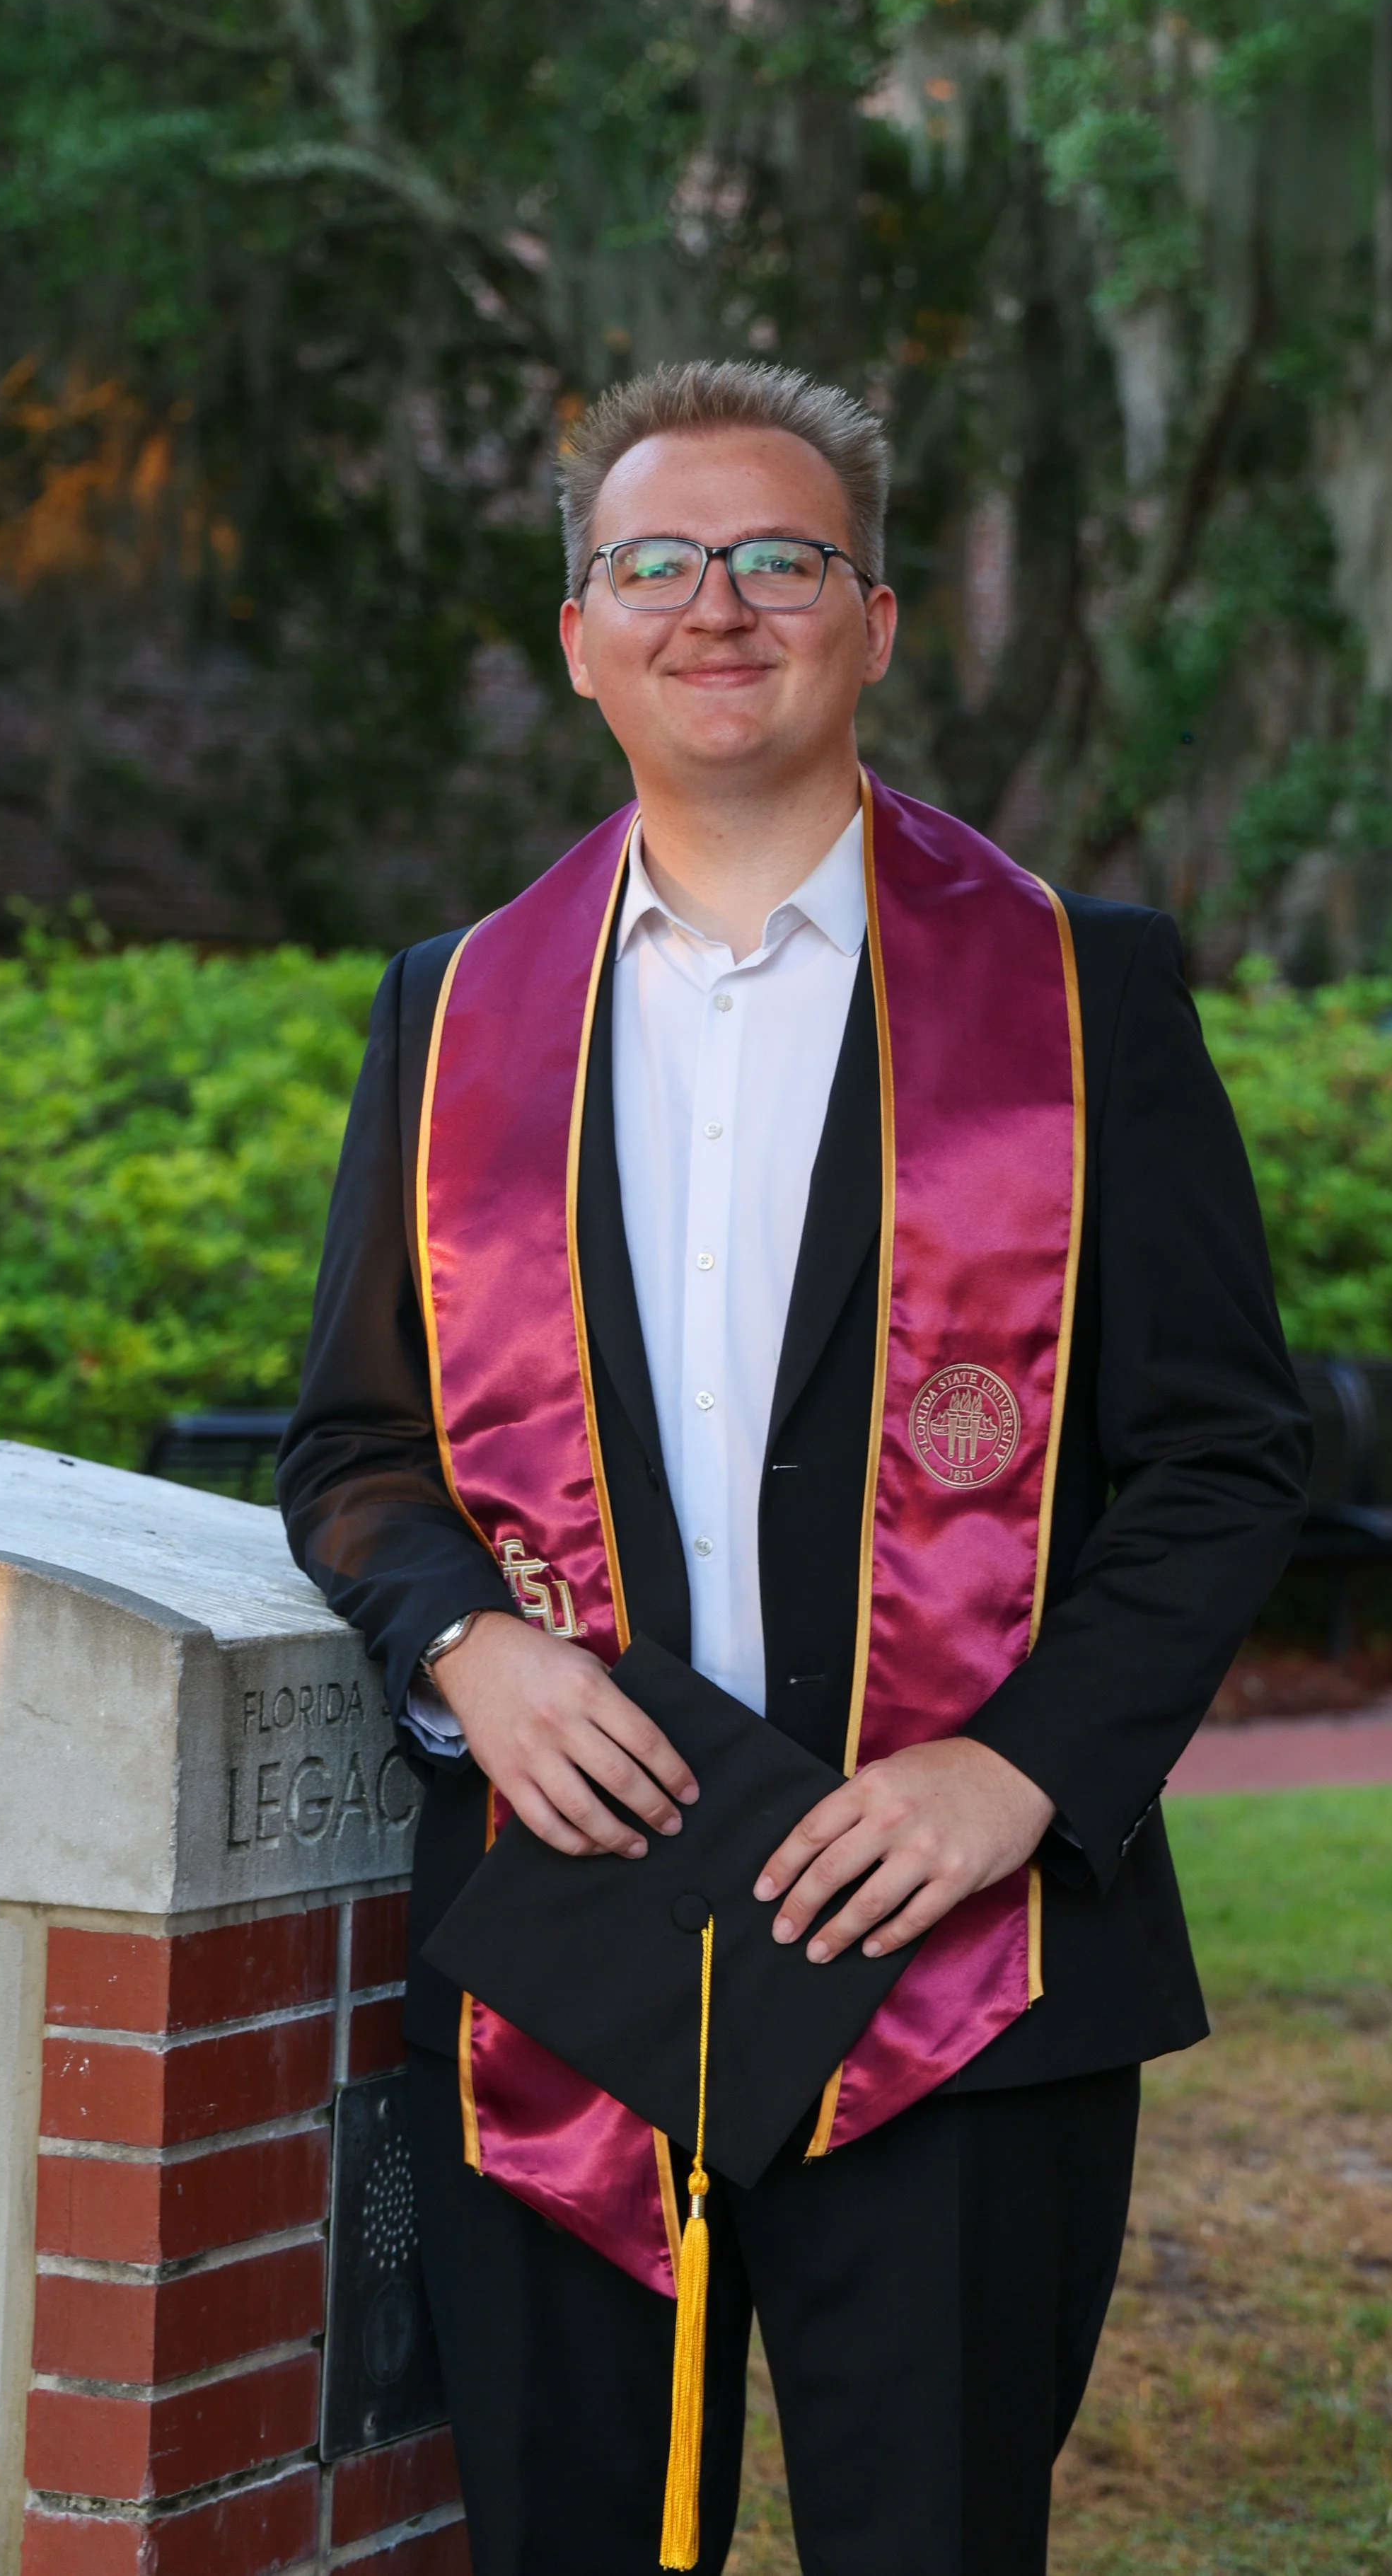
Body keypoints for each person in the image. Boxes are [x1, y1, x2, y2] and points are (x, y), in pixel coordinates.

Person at [277, 358, 1311, 2576]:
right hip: (571, 1944)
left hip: (955, 1957)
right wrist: (468, 1645)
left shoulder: (1074, 994)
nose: (714, 602)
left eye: (779, 556)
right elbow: (358, 1450)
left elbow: (1225, 1456)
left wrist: (1018, 1768)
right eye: (652, 559)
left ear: (877, 618)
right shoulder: (453, 1015)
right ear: (580, 632)